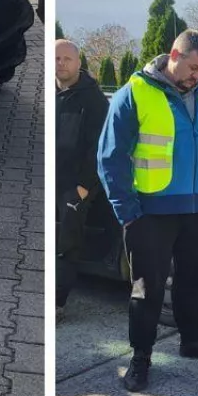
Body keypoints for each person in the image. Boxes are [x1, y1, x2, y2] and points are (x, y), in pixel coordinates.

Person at [97, 30, 198, 393]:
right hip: (150, 214)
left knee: (192, 281)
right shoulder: (134, 94)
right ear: (174, 55)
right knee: (149, 290)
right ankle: (141, 358)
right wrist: (128, 212)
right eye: (193, 67)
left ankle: (192, 341)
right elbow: (110, 158)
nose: (197, 76)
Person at [55, 39, 110, 318]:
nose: (61, 64)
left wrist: (83, 188)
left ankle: (57, 303)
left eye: (67, 59)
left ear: (78, 62)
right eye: (56, 58)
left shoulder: (94, 100)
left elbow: (98, 147)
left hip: (73, 187)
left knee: (66, 246)